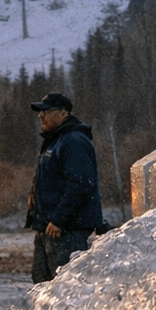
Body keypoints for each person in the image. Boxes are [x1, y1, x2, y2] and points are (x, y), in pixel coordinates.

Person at [26, 91, 105, 283]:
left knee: (67, 287)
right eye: (40, 112)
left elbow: (80, 184)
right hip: (48, 229)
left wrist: (60, 219)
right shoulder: (55, 140)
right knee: (43, 287)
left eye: (46, 111)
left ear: (64, 113)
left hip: (66, 231)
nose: (41, 115)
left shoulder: (74, 141)